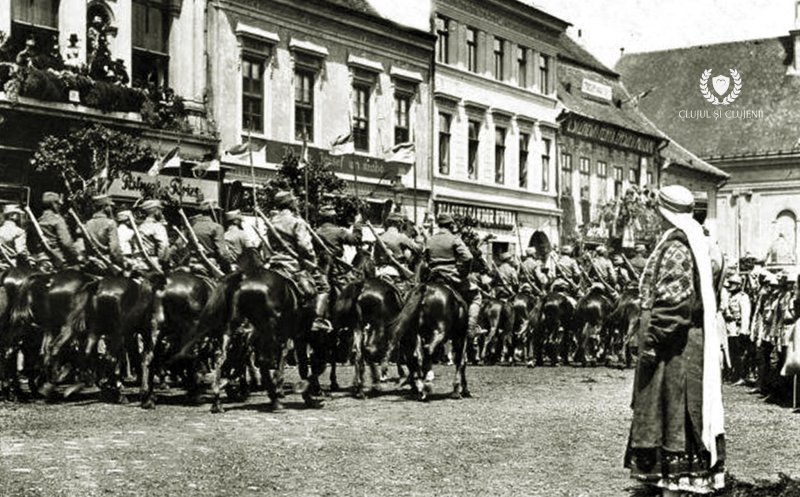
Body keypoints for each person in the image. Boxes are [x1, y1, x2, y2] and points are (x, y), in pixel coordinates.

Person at [625, 185, 725, 496]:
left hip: (675, 350)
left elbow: (672, 304)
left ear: (664, 213)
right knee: (674, 411)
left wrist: (651, 343)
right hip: (683, 344)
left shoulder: (678, 247)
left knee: (675, 412)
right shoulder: (694, 242)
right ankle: (673, 481)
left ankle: (676, 483)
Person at [267, 191, 331, 333]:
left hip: (274, 263)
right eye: (295, 201)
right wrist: (312, 262)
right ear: (291, 203)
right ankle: (316, 320)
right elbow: (305, 247)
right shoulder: (297, 222)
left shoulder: (271, 221)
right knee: (323, 286)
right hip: (292, 264)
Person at [423, 213, 480, 336]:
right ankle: (471, 329)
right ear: (451, 225)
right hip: (450, 275)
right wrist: (463, 273)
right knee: (476, 296)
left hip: (433, 276)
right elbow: (468, 257)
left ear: (439, 225)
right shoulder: (454, 239)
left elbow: (425, 258)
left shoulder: (430, 239)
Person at [315, 204, 362, 289]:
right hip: (335, 268)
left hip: (319, 267)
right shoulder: (338, 232)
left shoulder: (316, 231)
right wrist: (357, 224)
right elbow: (356, 240)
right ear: (333, 218)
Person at [34, 191, 81, 270]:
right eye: (57, 203)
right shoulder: (57, 220)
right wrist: (75, 257)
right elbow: (66, 243)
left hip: (44, 259)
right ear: (53, 205)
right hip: (60, 260)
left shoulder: (39, 221)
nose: (59, 205)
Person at [374, 212, 420, 286]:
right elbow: (419, 250)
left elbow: (376, 259)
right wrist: (418, 234)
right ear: (399, 224)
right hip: (397, 273)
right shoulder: (401, 237)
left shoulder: (380, 237)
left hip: (380, 272)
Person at [721, 274, 751, 386]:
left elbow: (745, 315)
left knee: (739, 354)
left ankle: (740, 376)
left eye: (732, 283)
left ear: (738, 285)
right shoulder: (729, 296)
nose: (730, 285)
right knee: (732, 353)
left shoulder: (743, 297)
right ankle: (733, 375)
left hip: (738, 329)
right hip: (729, 329)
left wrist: (743, 330)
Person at [190, 200, 233, 274]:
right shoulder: (216, 227)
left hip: (191, 263)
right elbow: (222, 253)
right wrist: (228, 267)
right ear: (214, 212)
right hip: (209, 265)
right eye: (217, 212)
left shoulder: (192, 226)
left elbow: (178, 246)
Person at [84, 194, 124, 269]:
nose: (111, 208)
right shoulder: (110, 223)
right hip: (108, 263)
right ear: (104, 207)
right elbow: (114, 248)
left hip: (93, 262)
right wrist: (121, 263)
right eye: (110, 206)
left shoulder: (88, 223)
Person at [134, 199, 170, 273]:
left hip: (138, 262)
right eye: (160, 210)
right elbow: (164, 246)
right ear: (156, 211)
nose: (161, 213)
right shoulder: (157, 227)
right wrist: (163, 262)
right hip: (153, 264)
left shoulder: (141, 226)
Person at [0, 204, 28, 269]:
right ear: (12, 215)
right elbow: (20, 250)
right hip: (11, 264)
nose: (19, 216)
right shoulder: (18, 231)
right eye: (18, 214)